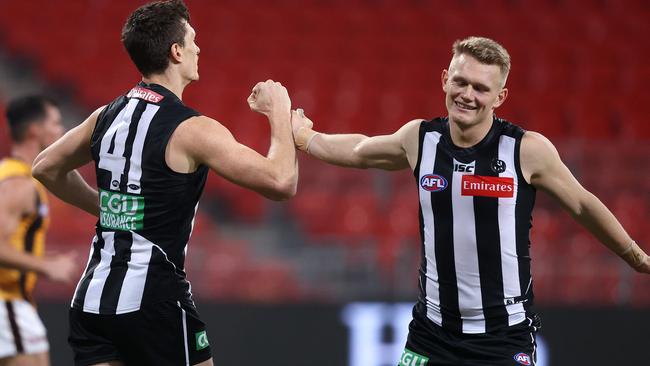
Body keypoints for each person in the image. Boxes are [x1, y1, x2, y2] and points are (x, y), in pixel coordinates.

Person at [291, 36, 650, 365]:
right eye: (460, 82)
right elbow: (359, 149)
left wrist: (636, 258)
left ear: (500, 97)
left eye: (481, 88)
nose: (467, 94)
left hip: (503, 338)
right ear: (445, 79)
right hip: (431, 334)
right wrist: (306, 137)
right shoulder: (420, 139)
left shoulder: (525, 150)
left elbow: (584, 205)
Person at [31, 1, 297, 365]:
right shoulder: (192, 129)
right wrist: (278, 111)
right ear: (176, 52)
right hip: (153, 301)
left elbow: (45, 167)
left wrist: (105, 206)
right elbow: (281, 182)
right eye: (192, 40)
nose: (198, 48)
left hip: (92, 301)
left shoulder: (106, 115)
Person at [0, 95, 77, 366]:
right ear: (35, 130)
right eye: (55, 122)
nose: (61, 130)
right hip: (6, 301)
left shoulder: (12, 175)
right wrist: (45, 266)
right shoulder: (19, 183)